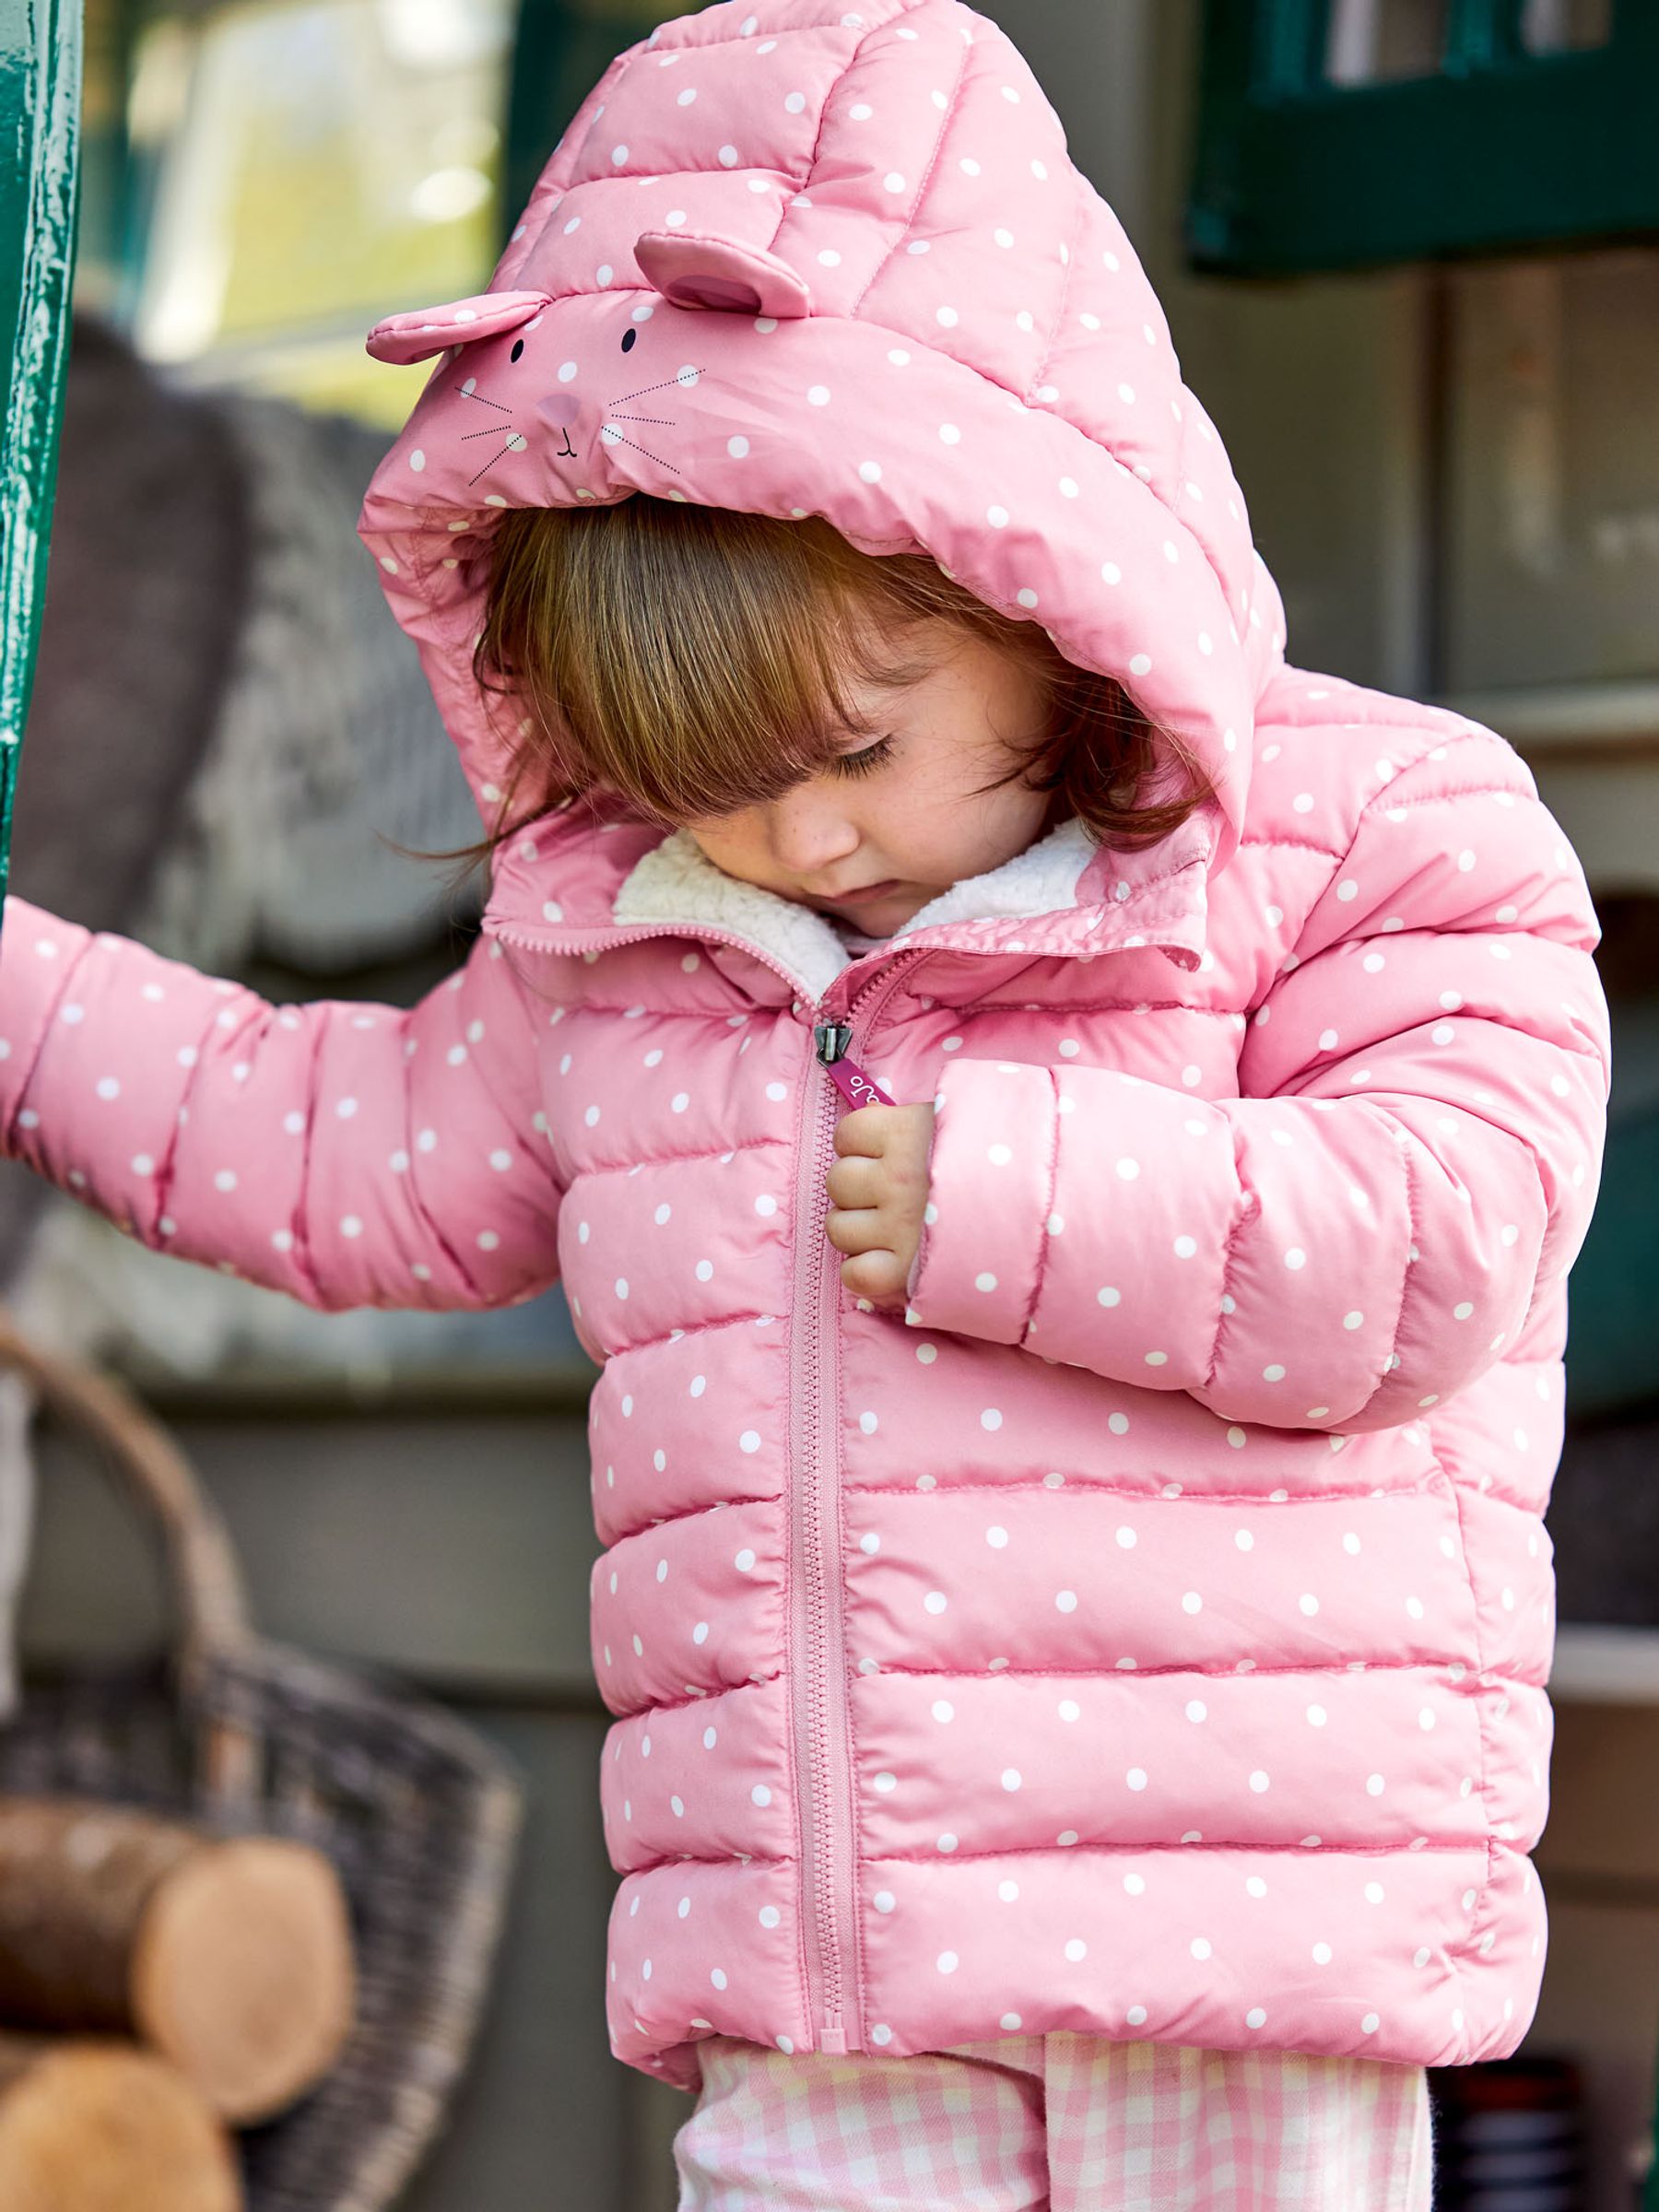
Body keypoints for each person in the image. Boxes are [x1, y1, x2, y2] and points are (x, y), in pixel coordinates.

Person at [0, 2, 1610, 2204]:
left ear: (1041, 574)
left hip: (1236, 1952)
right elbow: (332, 1145)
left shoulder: (1370, 831)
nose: (797, 848)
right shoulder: (626, 937)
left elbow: (1444, 1241)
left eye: (854, 749)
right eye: (699, 779)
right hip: (816, 1965)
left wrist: (1005, 1195)